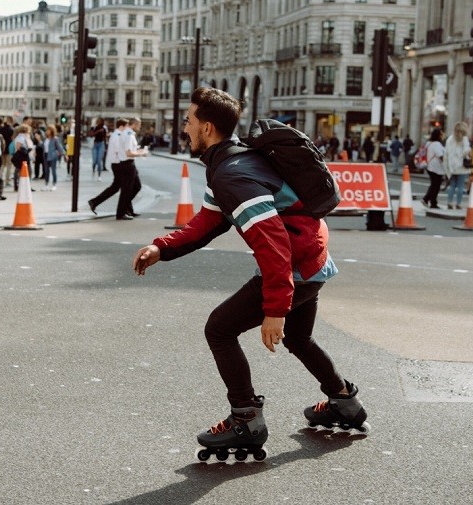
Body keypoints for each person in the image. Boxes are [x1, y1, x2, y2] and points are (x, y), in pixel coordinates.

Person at [132, 88, 369, 459]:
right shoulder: (233, 162)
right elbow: (209, 221)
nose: (184, 127)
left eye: (188, 121)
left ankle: (245, 419)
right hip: (313, 253)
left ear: (207, 127)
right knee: (300, 338)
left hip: (295, 261)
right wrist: (162, 247)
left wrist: (275, 308)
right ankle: (344, 402)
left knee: (220, 328)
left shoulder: (233, 175)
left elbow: (272, 243)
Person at [87, 119, 128, 215]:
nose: (127, 128)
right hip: (118, 164)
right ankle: (95, 202)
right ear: (121, 126)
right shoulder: (118, 136)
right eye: (126, 126)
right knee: (122, 187)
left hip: (117, 164)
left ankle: (95, 202)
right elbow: (119, 151)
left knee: (120, 187)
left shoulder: (116, 135)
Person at [115, 117, 149, 220]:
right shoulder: (129, 135)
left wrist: (139, 151)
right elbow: (128, 153)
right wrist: (142, 153)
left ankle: (127, 209)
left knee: (136, 186)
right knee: (127, 190)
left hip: (128, 163)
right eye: (139, 125)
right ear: (134, 124)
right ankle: (121, 213)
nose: (139, 127)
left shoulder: (127, 133)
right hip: (127, 164)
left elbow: (129, 150)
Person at [443, 122, 471, 210]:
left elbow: (446, 154)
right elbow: (466, 153)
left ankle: (449, 202)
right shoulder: (465, 139)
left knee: (452, 185)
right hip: (461, 167)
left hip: (452, 167)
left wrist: (446, 167)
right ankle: (458, 203)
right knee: (460, 186)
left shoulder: (450, 139)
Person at [421, 128, 445, 209]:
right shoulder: (437, 144)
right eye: (441, 134)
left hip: (430, 166)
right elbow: (440, 155)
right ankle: (432, 202)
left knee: (434, 185)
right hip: (436, 168)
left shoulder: (429, 143)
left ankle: (427, 199)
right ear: (438, 135)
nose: (443, 136)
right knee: (436, 186)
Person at [41, 125, 66, 191]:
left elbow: (59, 147)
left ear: (52, 131)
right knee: (46, 171)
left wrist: (64, 154)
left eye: (48, 130)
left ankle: (54, 185)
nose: (47, 131)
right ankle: (46, 185)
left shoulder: (55, 139)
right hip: (45, 155)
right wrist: (38, 141)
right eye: (47, 130)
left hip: (52, 156)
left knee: (53, 171)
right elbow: (43, 146)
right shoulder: (45, 139)